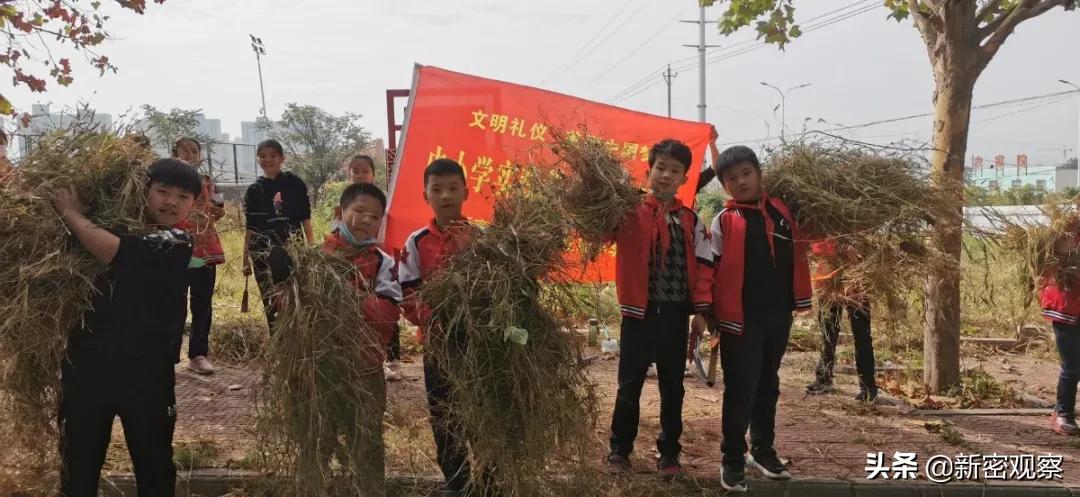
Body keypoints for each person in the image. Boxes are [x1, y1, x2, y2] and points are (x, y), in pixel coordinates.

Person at [54, 159, 201, 497]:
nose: (171, 202)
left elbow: (114, 251)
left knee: (154, 463)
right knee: (78, 462)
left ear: (194, 204)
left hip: (147, 375)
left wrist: (71, 214)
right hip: (86, 368)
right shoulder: (106, 226)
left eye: (183, 196)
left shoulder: (176, 241)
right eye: (162, 191)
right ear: (141, 191)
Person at [273, 182, 401, 496]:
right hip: (319, 371)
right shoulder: (315, 258)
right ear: (340, 212)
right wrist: (284, 290)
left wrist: (353, 299)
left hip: (365, 370)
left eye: (374, 216)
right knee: (316, 442)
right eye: (359, 211)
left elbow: (390, 312)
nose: (366, 220)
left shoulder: (383, 263)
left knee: (367, 444)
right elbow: (292, 310)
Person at [604, 139, 713, 480]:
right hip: (638, 314)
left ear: (684, 178)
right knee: (629, 386)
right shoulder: (627, 211)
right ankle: (619, 452)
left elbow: (705, 266)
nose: (666, 176)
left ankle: (669, 454)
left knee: (672, 387)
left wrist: (701, 312)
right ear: (649, 170)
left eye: (675, 171)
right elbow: (598, 228)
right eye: (661, 168)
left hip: (675, 315)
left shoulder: (690, 220)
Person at [709, 145, 812, 492]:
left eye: (746, 174)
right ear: (724, 185)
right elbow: (711, 270)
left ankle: (763, 450)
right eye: (732, 178)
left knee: (769, 383)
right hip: (741, 318)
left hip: (778, 314)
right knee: (741, 387)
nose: (741, 182)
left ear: (759, 173)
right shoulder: (725, 220)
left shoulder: (783, 209)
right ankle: (732, 457)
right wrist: (706, 314)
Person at [398, 158, 478, 496]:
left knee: (481, 412)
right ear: (425, 195)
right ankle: (457, 482)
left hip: (478, 346)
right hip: (438, 346)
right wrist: (435, 319)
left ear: (466, 192)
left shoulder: (481, 239)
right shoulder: (415, 243)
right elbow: (406, 293)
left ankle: (490, 479)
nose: (446, 196)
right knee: (445, 416)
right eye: (437, 189)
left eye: (452, 188)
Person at [242, 139, 313, 329]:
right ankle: (278, 345)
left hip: (291, 248)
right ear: (258, 160)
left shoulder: (295, 183)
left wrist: (311, 247)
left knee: (294, 296)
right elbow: (250, 227)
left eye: (273, 156)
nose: (268, 160)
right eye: (263, 156)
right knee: (270, 300)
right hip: (262, 253)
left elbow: (305, 217)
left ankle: (296, 342)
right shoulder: (254, 190)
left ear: (282, 158)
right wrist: (245, 260)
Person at [346, 153, 402, 382]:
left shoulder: (384, 201)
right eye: (356, 171)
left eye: (365, 171)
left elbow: (390, 310)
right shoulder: (345, 201)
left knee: (384, 310)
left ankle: (392, 359)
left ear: (373, 174)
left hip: (376, 262)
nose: (360, 174)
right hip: (351, 262)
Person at [172, 137, 225, 374]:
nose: (190, 155)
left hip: (204, 248)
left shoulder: (207, 182)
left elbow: (218, 210)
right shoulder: (168, 181)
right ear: (175, 153)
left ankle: (198, 354)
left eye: (194, 151)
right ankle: (169, 355)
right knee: (173, 302)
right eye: (185, 151)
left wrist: (215, 213)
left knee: (202, 303)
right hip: (175, 248)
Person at [804, 240, 878, 401]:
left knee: (862, 334)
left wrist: (857, 250)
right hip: (827, 281)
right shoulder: (825, 223)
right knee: (827, 333)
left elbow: (870, 246)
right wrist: (840, 248)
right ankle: (824, 378)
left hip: (856, 281)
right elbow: (814, 244)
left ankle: (868, 386)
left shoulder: (862, 223)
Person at [1041, 222, 1080, 436]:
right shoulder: (1065, 231)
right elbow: (1052, 261)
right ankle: (1063, 413)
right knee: (1072, 363)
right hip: (1065, 306)